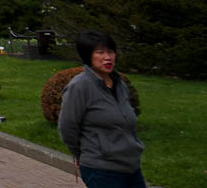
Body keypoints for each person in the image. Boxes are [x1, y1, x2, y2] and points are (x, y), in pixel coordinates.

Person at [58, 30, 146, 188]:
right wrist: (84, 154)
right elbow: (67, 128)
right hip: (101, 169)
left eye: (110, 52)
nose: (108, 57)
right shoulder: (79, 86)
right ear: (88, 56)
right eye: (100, 52)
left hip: (131, 166)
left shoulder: (120, 84)